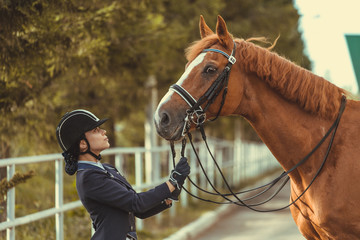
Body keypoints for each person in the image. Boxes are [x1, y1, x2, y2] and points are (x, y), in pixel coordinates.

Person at [56, 109, 190, 240]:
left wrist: (168, 197)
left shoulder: (107, 169)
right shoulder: (89, 178)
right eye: (96, 131)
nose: (104, 131)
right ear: (83, 144)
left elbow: (138, 211)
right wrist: (172, 182)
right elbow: (136, 203)